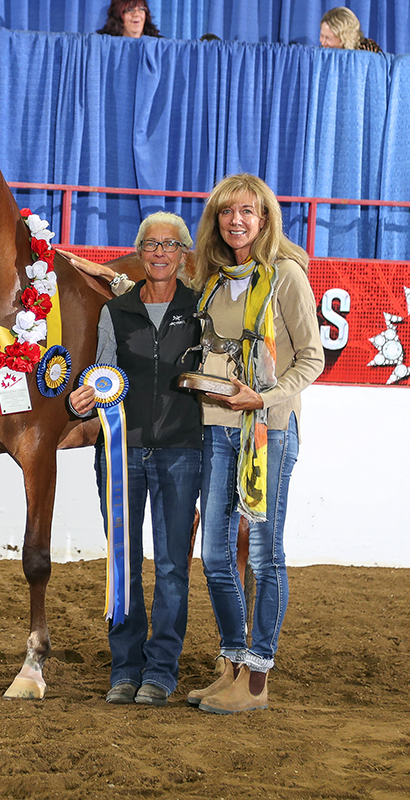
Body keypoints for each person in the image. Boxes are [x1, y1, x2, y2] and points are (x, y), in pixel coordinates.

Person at [188, 174, 324, 714]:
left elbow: (311, 358)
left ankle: (257, 679)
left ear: (265, 219)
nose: (236, 220)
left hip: (269, 431)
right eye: (226, 212)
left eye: (247, 211)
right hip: (218, 428)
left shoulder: (286, 275)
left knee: (265, 556)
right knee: (216, 554)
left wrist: (263, 398)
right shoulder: (214, 280)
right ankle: (232, 663)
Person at [66, 212, 202, 707]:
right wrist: (82, 399)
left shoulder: (200, 309)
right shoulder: (116, 311)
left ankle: (161, 670)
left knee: (171, 566)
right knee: (123, 565)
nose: (160, 253)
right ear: (139, 252)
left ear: (183, 254)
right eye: (151, 244)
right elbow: (102, 374)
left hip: (182, 452)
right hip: (121, 452)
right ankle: (124, 668)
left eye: (170, 245)